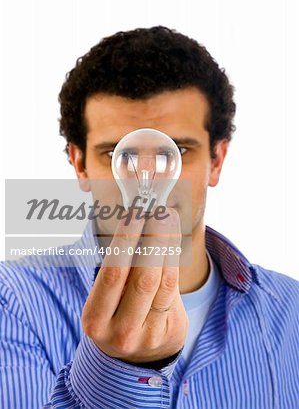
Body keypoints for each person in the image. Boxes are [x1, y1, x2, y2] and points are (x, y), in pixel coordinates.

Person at [0, 26, 298, 409]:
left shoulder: (291, 311)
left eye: (176, 151)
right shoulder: (12, 302)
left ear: (216, 161)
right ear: (80, 164)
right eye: (116, 154)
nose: (149, 180)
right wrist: (117, 370)